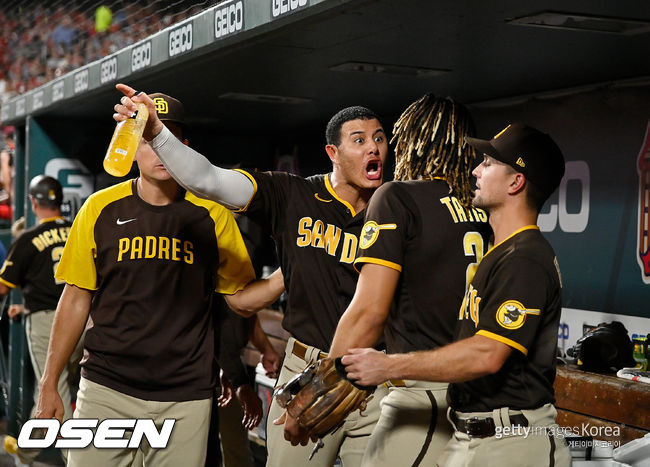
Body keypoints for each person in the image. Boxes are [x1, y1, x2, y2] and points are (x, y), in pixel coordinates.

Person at [113, 83, 389, 466]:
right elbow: (209, 180)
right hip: (307, 367)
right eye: (359, 140)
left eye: (379, 138)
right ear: (333, 153)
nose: (373, 147)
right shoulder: (292, 194)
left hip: (372, 372)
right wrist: (158, 134)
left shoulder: (395, 208)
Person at [34, 92, 256, 467]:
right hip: (108, 387)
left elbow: (240, 299)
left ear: (183, 147)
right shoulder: (99, 208)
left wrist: (293, 272)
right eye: (149, 140)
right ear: (133, 148)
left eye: (167, 140)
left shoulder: (212, 215)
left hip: (185, 394)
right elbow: (74, 299)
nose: (160, 151)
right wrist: (49, 382)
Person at [341, 122, 571, 467]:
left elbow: (487, 354)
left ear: (516, 181)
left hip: (512, 443)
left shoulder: (525, 259)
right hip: (474, 437)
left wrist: (388, 365)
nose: (476, 169)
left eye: (489, 163)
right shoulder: (502, 253)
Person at [322, 94, 492, 465]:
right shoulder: (489, 207)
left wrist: (322, 393)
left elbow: (368, 312)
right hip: (483, 394)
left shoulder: (398, 197)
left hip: (422, 394)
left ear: (413, 138)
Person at [0, 175, 81, 464]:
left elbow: (2, 287)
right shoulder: (78, 230)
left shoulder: (28, 238)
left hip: (50, 324)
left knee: (53, 386)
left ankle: (73, 458)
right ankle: (32, 447)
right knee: (84, 388)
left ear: (34, 202)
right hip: (87, 320)